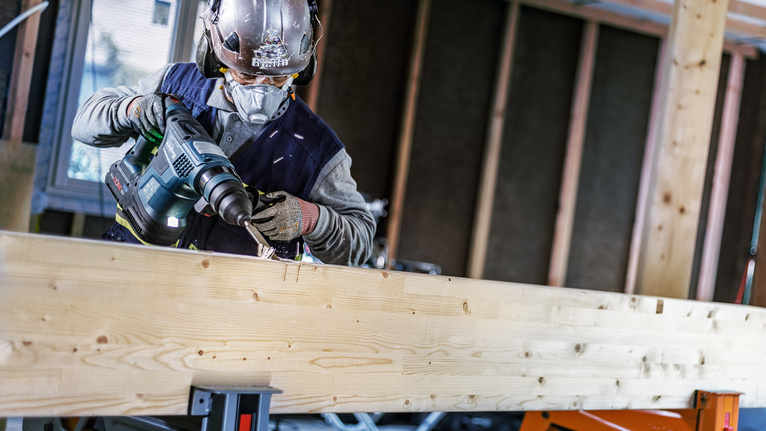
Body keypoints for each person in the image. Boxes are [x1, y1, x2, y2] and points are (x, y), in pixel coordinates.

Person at [71, 0, 374, 266]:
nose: (261, 89)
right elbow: (83, 125)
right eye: (247, 73)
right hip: (127, 270)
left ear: (301, 67)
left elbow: (360, 242)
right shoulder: (175, 85)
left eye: (278, 77)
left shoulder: (316, 151)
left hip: (226, 313)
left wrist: (309, 219)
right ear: (217, 56)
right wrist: (132, 109)